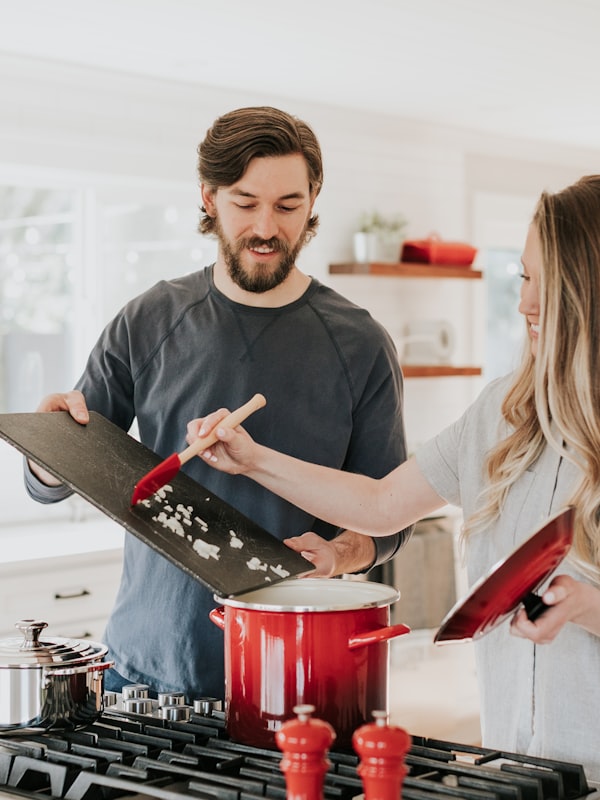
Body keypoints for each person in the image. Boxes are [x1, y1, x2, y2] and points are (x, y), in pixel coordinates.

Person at [194, 174, 600, 779]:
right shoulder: (502, 412)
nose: (524, 303)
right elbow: (383, 504)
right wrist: (253, 459)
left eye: (545, 282)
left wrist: (586, 605)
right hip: (516, 767)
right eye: (522, 276)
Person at [24, 105, 412, 700]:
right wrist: (45, 450)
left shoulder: (360, 344)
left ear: (312, 201)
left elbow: (389, 521)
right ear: (209, 197)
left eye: (287, 206)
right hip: (142, 672)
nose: (266, 227)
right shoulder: (148, 319)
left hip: (295, 675)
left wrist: (339, 553)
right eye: (245, 202)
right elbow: (60, 472)